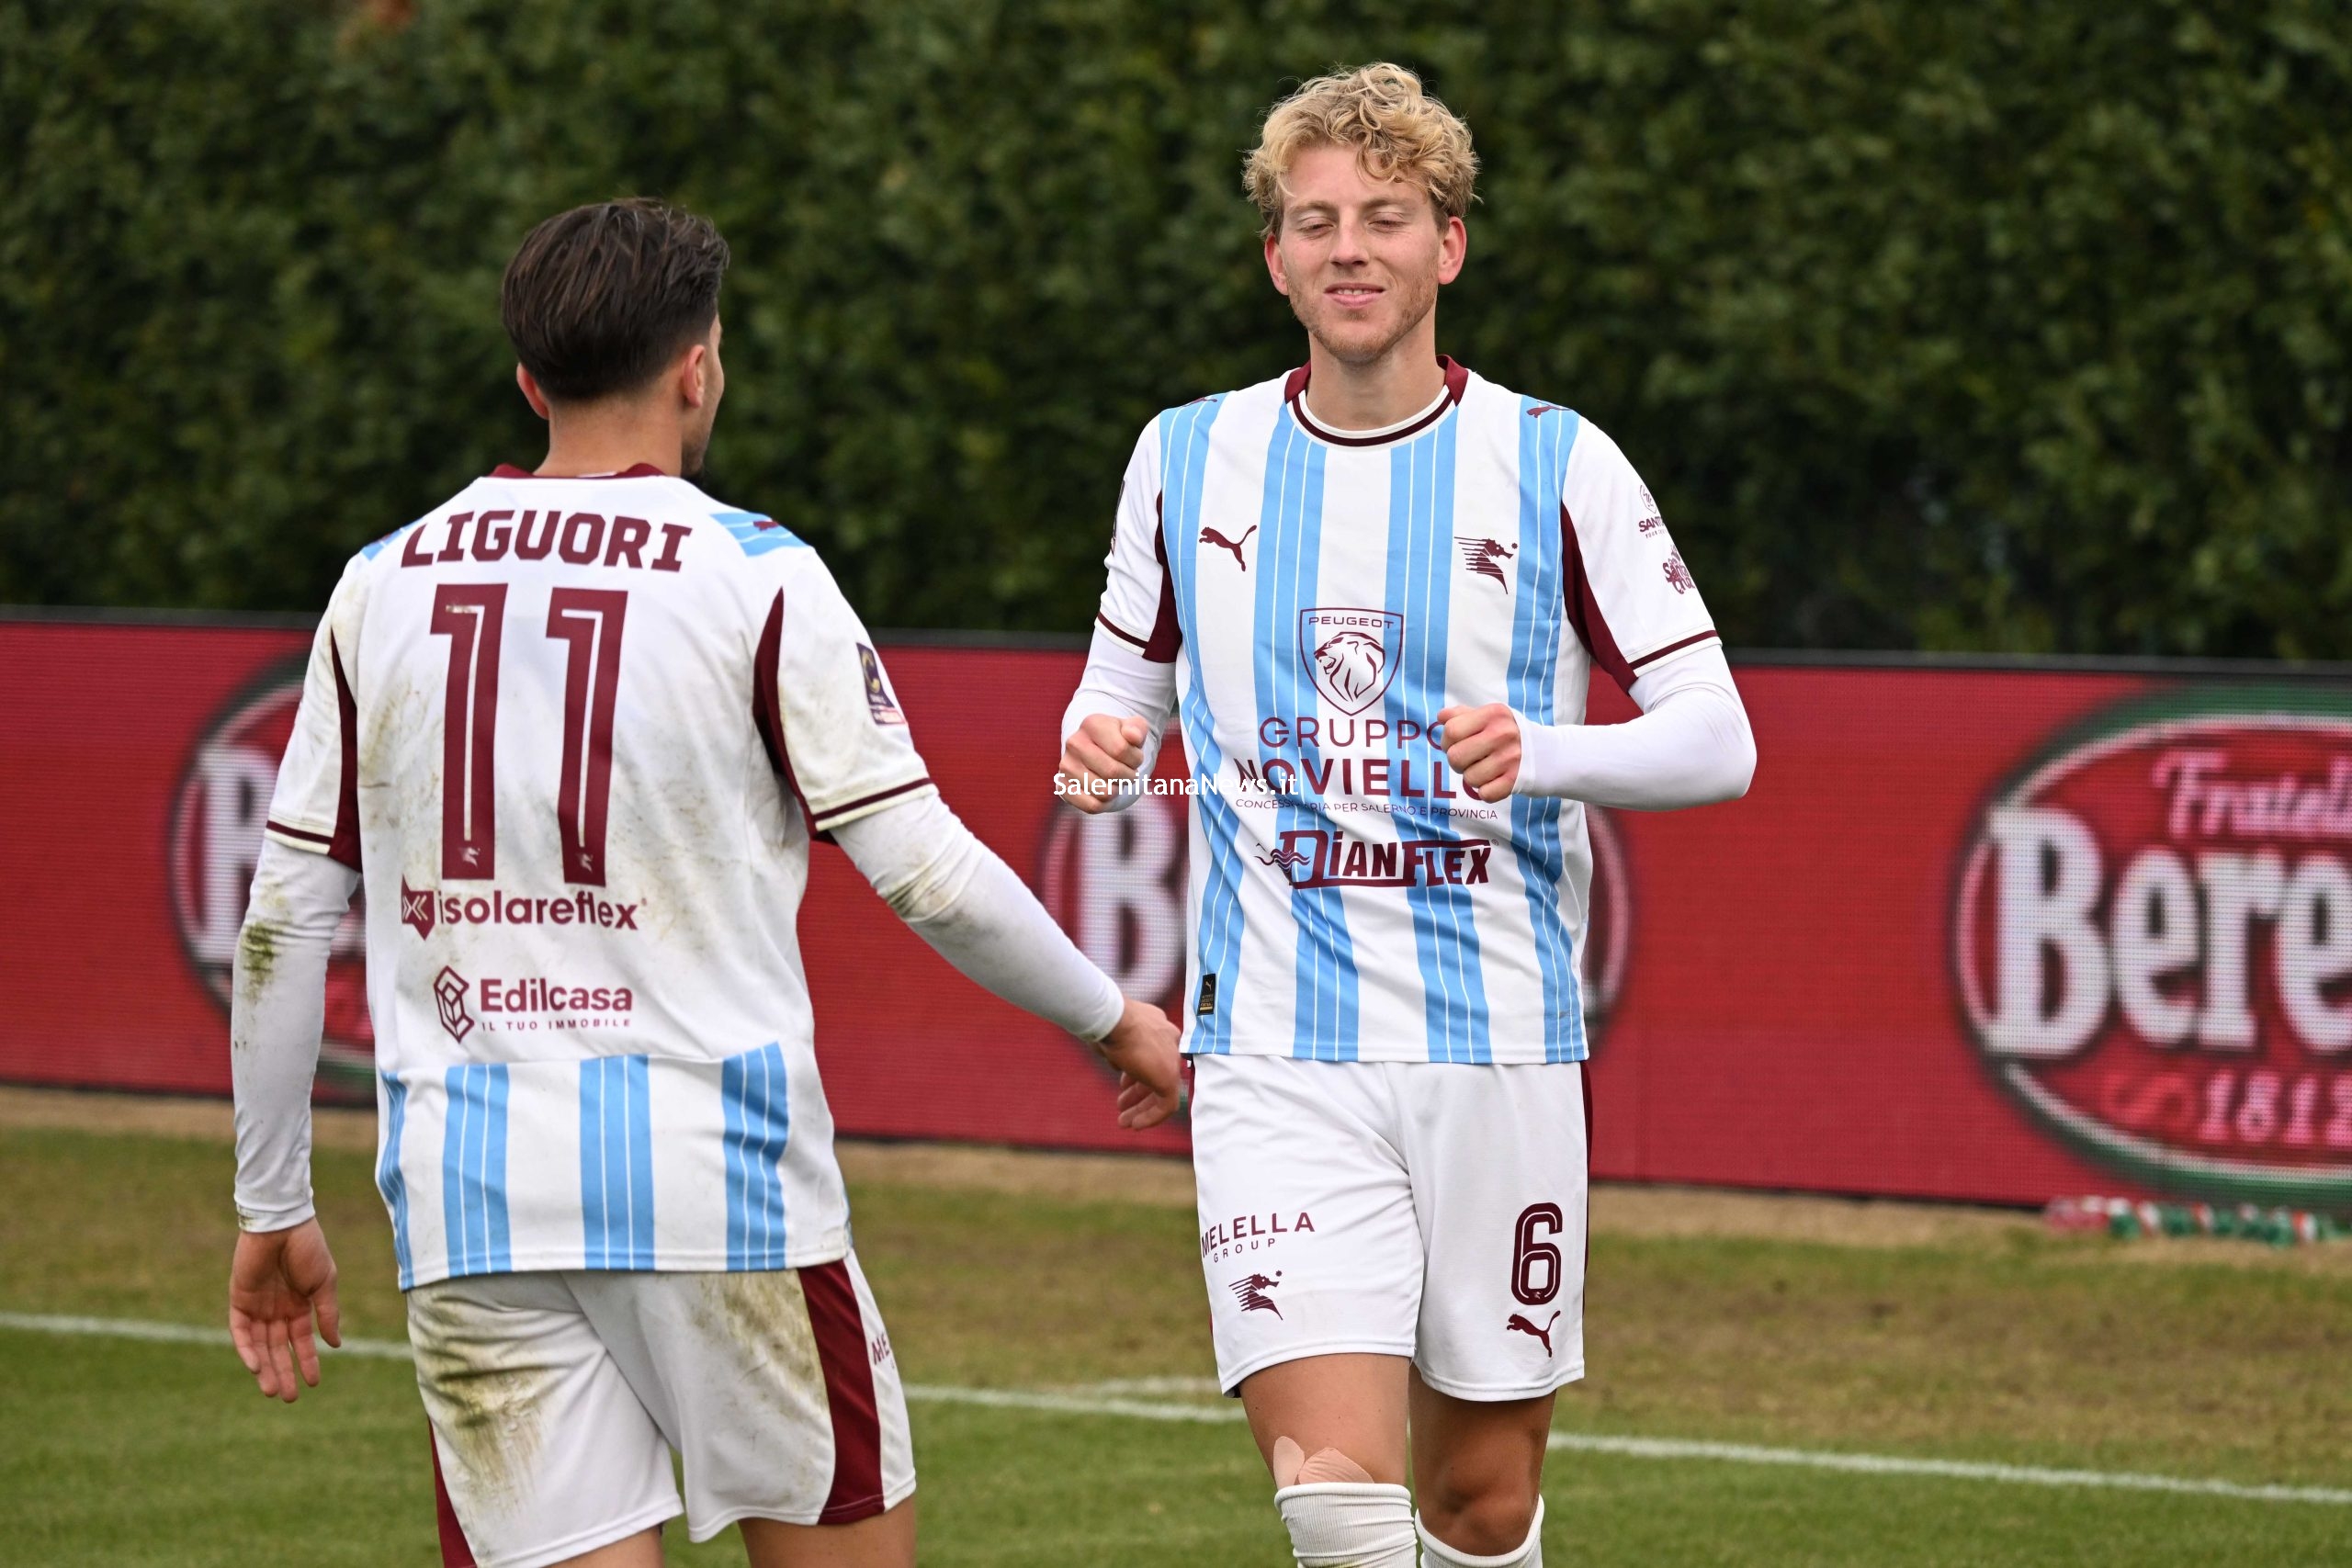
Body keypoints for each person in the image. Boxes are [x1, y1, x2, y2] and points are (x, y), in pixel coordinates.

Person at [227, 197, 1183, 1568]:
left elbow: (281, 923)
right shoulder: (755, 572)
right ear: (698, 368)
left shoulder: (381, 583)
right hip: (721, 1192)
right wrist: (1114, 1016)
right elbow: (926, 875)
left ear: (529, 381)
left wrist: (272, 1205)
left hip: (470, 1205)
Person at [1056, 65, 1756, 1568]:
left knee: (1478, 1505)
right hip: (1273, 1051)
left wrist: (1543, 753)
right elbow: (1115, 691)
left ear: (1450, 244)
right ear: (1275, 258)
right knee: (1335, 1500)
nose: (1350, 248)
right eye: (1316, 222)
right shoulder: (1185, 455)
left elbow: (1720, 741)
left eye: (1387, 216)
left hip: (1498, 1043)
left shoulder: (1558, 461)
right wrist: (1103, 742)